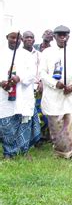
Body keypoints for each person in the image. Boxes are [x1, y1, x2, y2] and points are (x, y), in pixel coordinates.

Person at [40, 25, 72, 158]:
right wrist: (55, 84)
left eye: (65, 34)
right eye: (59, 34)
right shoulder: (47, 52)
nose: (62, 37)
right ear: (54, 37)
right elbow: (42, 73)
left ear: (69, 36)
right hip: (54, 95)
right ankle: (61, 153)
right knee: (56, 123)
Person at [0, 30, 40, 158]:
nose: (15, 41)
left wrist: (19, 78)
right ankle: (9, 152)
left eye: (18, 39)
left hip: (23, 94)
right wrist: (2, 82)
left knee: (24, 123)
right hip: (5, 95)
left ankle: (24, 151)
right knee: (7, 124)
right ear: (7, 37)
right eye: (12, 38)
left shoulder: (27, 55)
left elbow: (32, 74)